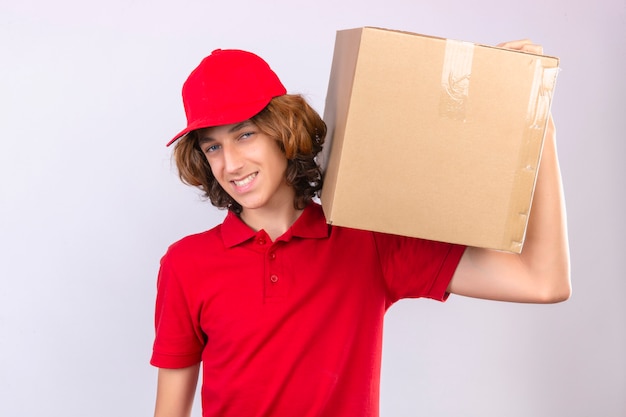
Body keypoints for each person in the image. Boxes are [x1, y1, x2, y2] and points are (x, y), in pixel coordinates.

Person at [151, 42, 571, 417]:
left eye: (245, 134)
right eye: (213, 146)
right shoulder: (186, 264)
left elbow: (542, 281)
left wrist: (539, 127)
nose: (231, 164)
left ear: (284, 130)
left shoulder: (366, 241)